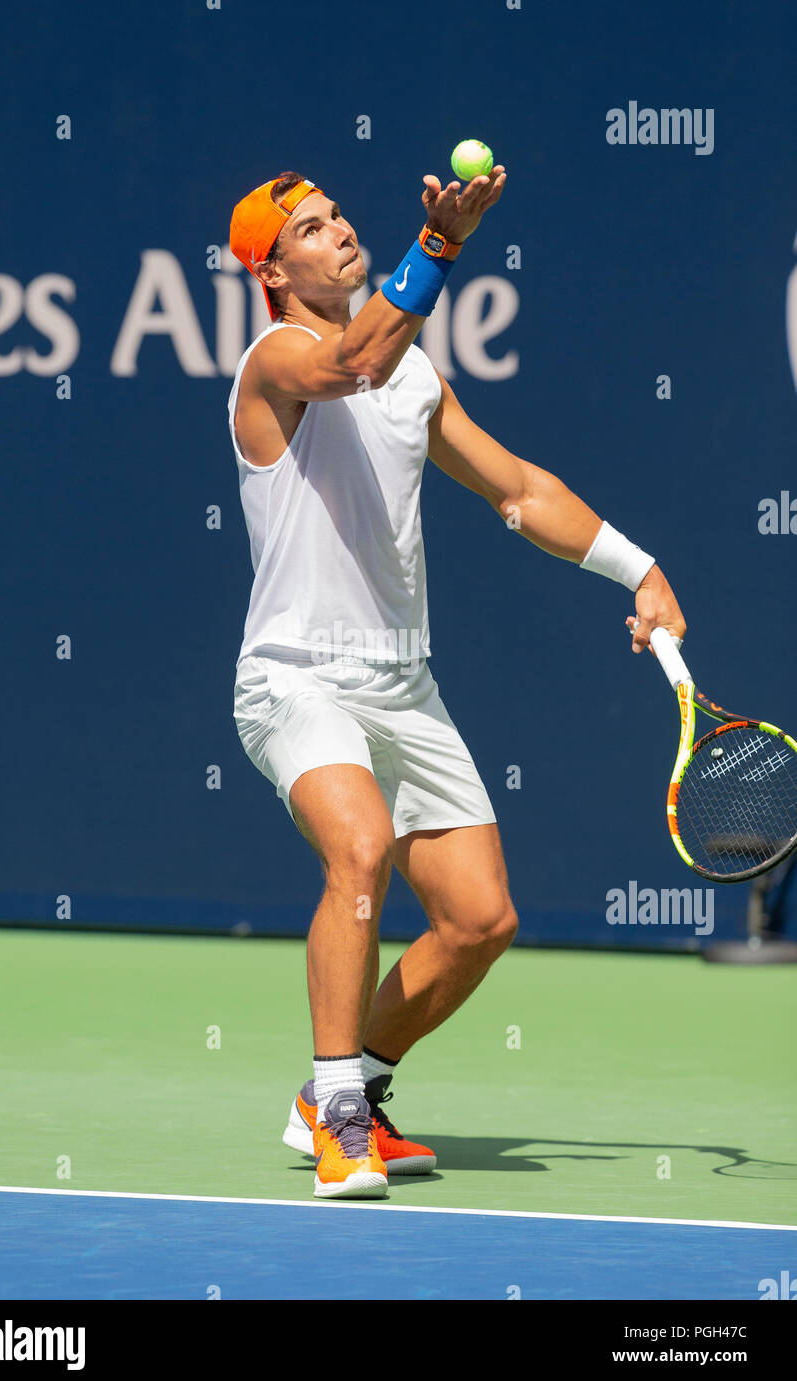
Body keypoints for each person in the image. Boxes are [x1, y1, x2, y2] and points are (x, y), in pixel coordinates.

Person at [227, 169, 686, 1199]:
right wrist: (433, 246)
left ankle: (348, 1090)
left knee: (479, 921)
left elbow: (516, 489)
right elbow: (349, 358)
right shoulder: (278, 361)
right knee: (357, 848)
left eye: (340, 215)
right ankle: (337, 1113)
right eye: (309, 230)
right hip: (296, 677)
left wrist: (639, 568)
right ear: (270, 270)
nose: (337, 232)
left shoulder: (411, 378)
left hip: (402, 685)